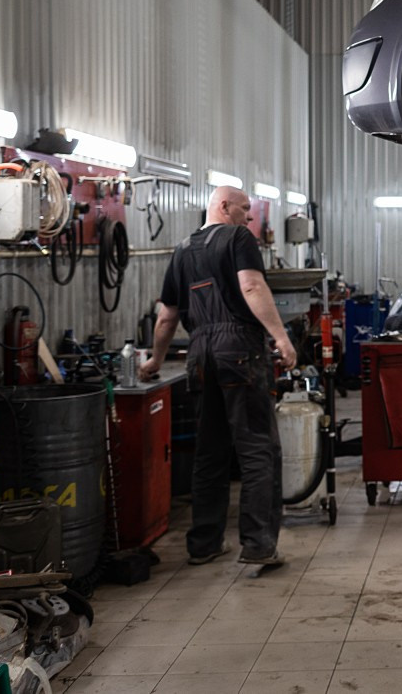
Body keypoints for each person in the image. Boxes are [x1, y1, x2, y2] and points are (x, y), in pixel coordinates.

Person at [140, 185, 297, 568]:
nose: (249, 217)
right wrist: (280, 336)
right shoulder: (237, 238)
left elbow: (167, 316)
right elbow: (251, 285)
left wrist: (155, 360)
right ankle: (259, 545)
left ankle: (204, 544)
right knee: (258, 448)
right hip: (239, 349)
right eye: (245, 209)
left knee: (209, 451)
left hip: (199, 356)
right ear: (224, 206)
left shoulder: (181, 250)